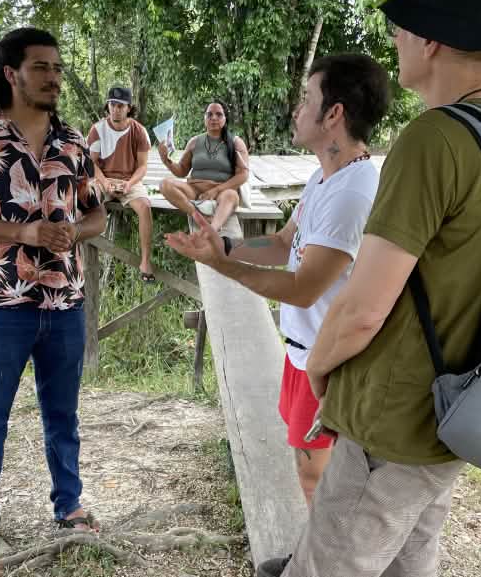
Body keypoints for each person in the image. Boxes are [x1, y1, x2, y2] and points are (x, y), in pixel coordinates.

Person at [256, 0, 481, 577]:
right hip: (456, 413)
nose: (399, 38)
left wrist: (321, 372)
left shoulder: (432, 139)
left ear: (432, 39)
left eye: (404, 26)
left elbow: (360, 310)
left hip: (394, 423)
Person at [165, 54, 390, 509]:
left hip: (331, 361)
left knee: (320, 481)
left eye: (307, 98)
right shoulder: (324, 178)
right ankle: (317, 554)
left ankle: (324, 560)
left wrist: (223, 268)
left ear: (334, 114)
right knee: (310, 473)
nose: (296, 108)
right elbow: (285, 243)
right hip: (302, 351)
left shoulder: (353, 192)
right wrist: (224, 248)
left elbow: (302, 287)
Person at [0, 27, 107, 559]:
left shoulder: (73, 141)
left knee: (63, 414)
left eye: (57, 68)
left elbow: (97, 212)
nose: (54, 77)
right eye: (41, 68)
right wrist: (24, 233)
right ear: (11, 74)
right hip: (1, 301)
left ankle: (69, 507)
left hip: (66, 302)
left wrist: (76, 231)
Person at [87, 87, 155, 281]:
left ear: (128, 108)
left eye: (120, 105)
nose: (115, 109)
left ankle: (145, 261)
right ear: (107, 106)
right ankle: (85, 259)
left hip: (129, 180)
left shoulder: (139, 131)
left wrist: (129, 184)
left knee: (145, 206)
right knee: (88, 198)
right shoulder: (97, 129)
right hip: (103, 178)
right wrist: (104, 182)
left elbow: (142, 167)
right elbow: (91, 163)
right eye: (112, 104)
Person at [158, 100, 249, 232]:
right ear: (204, 118)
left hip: (222, 192)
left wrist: (216, 190)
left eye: (219, 114)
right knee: (164, 184)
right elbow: (182, 171)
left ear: (225, 119)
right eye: (209, 114)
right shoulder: (195, 142)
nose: (213, 118)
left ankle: (213, 229)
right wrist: (166, 160)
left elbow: (243, 175)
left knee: (232, 196)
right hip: (194, 191)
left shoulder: (235, 142)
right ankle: (200, 217)